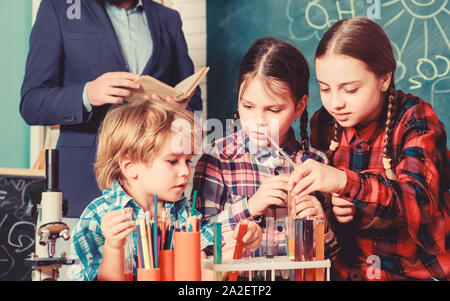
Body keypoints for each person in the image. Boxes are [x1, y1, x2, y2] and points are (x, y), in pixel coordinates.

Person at [289, 17, 450, 280]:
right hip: (349, 271)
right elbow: (329, 215)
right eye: (325, 89)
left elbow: (419, 205)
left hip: (415, 272)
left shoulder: (415, 119)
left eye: (350, 90)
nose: (335, 103)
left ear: (384, 78)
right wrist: (328, 207)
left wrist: (344, 181)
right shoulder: (323, 123)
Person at [20, 0, 202, 217]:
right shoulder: (58, 7)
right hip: (82, 183)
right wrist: (87, 94)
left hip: (154, 198)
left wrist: (176, 109)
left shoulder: (168, 18)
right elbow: (32, 103)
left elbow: (194, 105)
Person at [70, 99, 262, 281]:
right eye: (172, 161)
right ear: (129, 166)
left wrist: (237, 244)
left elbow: (200, 272)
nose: (185, 171)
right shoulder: (97, 219)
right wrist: (114, 246)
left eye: (188, 160)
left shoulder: (182, 211)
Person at [193, 37, 340, 269]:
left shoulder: (317, 165)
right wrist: (250, 206)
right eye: (248, 106)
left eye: (273, 109)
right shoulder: (217, 159)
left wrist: (322, 226)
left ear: (299, 107)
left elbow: (333, 258)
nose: (257, 121)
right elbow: (195, 242)